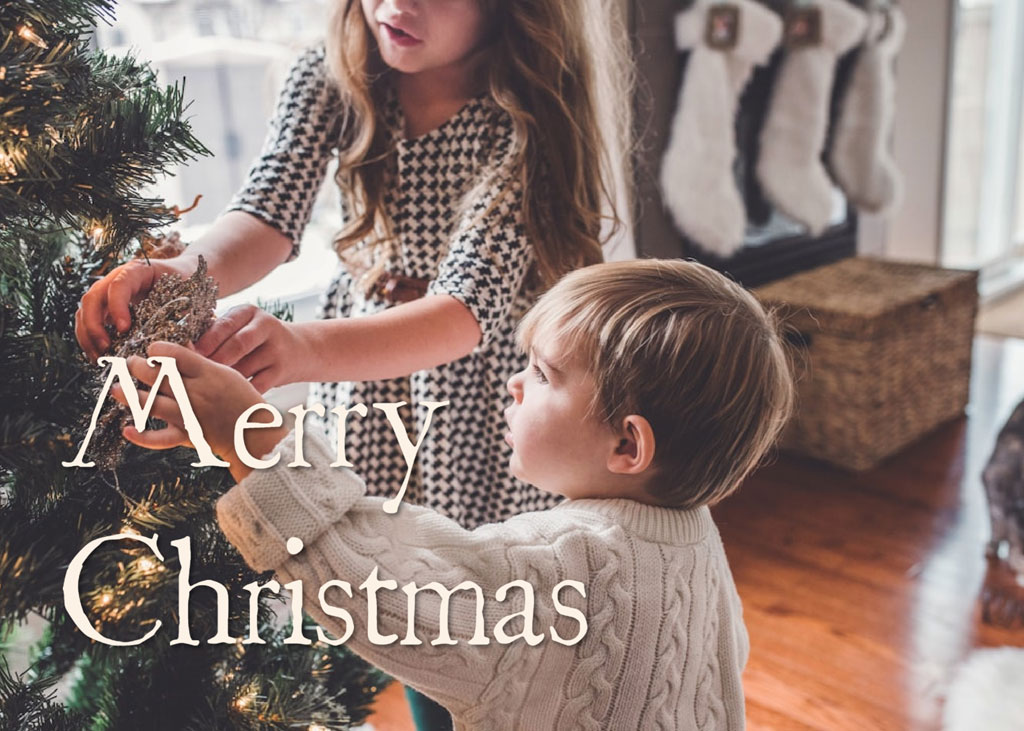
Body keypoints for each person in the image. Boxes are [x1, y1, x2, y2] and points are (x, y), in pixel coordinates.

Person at [77, 2, 630, 723]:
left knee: (470, 622)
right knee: (376, 591)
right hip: (371, 396)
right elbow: (268, 215)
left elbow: (465, 310)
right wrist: (187, 270)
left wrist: (304, 347)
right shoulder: (334, 74)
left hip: (478, 405)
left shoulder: (524, 115)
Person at [114, 258, 796, 730]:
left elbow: (374, 585)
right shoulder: (694, 538)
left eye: (543, 373)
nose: (513, 383)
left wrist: (252, 436)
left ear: (628, 446)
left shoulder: (570, 565)